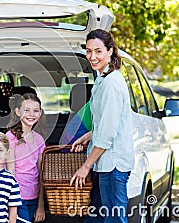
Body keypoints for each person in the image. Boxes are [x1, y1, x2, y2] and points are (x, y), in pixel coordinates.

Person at [69, 29, 134, 223]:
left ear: (110, 51)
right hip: (104, 164)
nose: (92, 56)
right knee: (96, 218)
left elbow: (107, 134)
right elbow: (105, 122)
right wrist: (88, 136)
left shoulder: (110, 83)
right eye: (88, 51)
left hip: (112, 164)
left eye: (98, 51)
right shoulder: (103, 79)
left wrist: (85, 167)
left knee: (113, 219)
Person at [6, 93, 46, 223]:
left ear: (40, 113)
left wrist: (41, 206)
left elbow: (41, 173)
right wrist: (10, 202)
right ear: (18, 112)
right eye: (26, 110)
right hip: (17, 197)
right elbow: (10, 172)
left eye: (36, 111)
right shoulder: (10, 138)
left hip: (34, 197)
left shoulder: (39, 139)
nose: (31, 114)